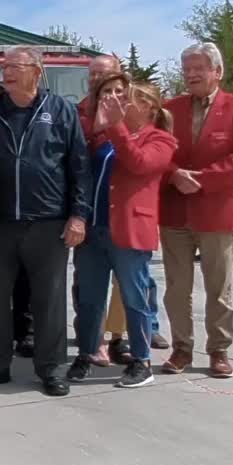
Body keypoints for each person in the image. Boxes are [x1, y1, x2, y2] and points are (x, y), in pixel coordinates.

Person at [0, 46, 91, 397]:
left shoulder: (60, 111)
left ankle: (51, 369)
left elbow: (78, 166)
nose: (7, 73)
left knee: (49, 299)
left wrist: (78, 215)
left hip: (48, 223)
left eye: (15, 66)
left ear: (36, 71)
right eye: (4, 67)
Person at [159, 42, 233, 378]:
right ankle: (181, 348)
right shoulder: (170, 108)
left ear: (217, 72)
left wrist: (201, 180)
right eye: (186, 69)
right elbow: (158, 149)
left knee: (219, 288)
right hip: (175, 211)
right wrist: (174, 174)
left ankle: (219, 350)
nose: (190, 75)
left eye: (197, 69)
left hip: (217, 211)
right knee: (177, 288)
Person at [68, 77, 178, 388]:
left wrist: (115, 128)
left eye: (128, 99)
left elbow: (139, 163)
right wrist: (100, 127)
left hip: (129, 230)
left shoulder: (161, 140)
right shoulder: (108, 137)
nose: (121, 102)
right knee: (89, 297)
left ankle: (142, 360)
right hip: (95, 229)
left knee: (134, 296)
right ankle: (87, 353)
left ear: (148, 108)